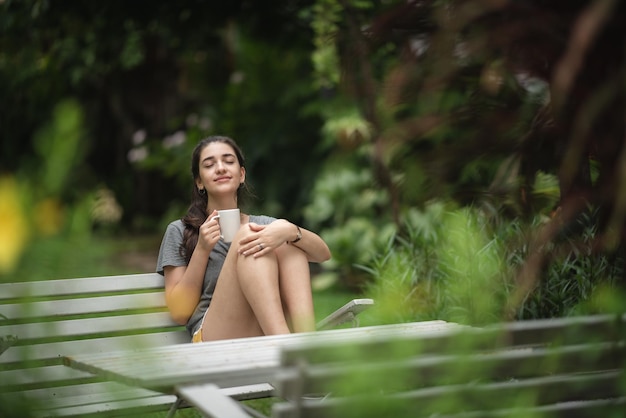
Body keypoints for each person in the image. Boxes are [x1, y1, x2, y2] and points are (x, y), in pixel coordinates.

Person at [156, 135, 331, 342]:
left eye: (228, 161)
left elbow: (323, 254)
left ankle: (306, 341)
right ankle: (290, 348)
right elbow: (179, 313)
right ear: (199, 181)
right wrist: (202, 249)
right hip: (214, 338)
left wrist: (291, 231)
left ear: (241, 175)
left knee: (286, 241)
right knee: (254, 236)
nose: (220, 168)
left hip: (263, 330)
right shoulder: (180, 230)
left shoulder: (262, 224)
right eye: (210, 165)